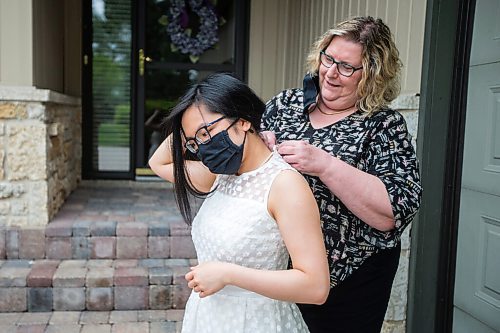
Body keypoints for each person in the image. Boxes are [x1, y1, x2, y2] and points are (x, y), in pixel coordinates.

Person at [261, 16, 422, 333]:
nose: (331, 73)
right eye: (328, 58)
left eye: (347, 67)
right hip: (282, 269)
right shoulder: (284, 105)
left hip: (352, 280)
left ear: (372, 75)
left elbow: (394, 211)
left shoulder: (383, 125)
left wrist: (323, 163)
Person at [149, 73, 330, 333]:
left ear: (243, 120)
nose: (202, 147)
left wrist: (229, 274)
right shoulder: (219, 174)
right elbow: (159, 162)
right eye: (194, 142)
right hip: (209, 319)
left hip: (257, 322)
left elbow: (315, 286)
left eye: (206, 132)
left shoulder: (284, 186)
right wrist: (187, 123)